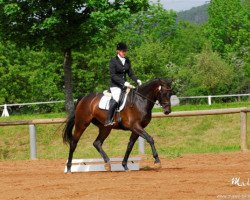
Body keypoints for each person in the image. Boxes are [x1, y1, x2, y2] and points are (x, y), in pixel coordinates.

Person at [104, 42, 142, 126]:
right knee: (117, 99)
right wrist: (124, 82)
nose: (124, 52)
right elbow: (113, 75)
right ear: (118, 51)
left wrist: (137, 80)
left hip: (125, 85)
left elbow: (130, 73)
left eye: (125, 51)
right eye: (122, 51)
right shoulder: (113, 61)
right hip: (116, 86)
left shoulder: (127, 60)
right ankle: (108, 119)